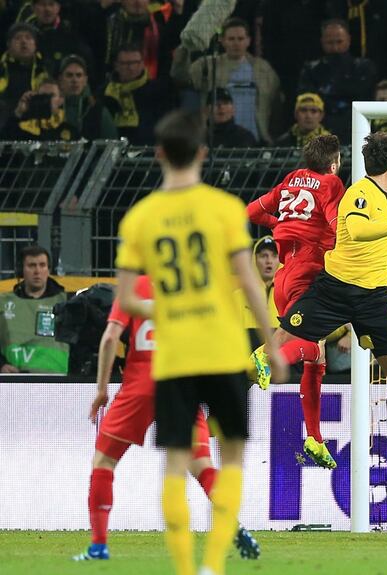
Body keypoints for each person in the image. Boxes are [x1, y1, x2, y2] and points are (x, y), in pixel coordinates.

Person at [113, 109, 286, 575]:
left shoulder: (140, 218)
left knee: (175, 465)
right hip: (225, 350)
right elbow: (250, 283)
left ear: (159, 155)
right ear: (204, 154)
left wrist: (168, 309)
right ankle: (213, 566)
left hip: (174, 359)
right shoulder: (224, 209)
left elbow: (128, 297)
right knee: (230, 459)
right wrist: (270, 345)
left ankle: (186, 571)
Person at [262, 131, 387, 482]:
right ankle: (251, 367)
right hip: (335, 289)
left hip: (373, 298)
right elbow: (358, 230)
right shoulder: (357, 194)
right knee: (287, 334)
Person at [72, 275, 260, 562]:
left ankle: (98, 546)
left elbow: (110, 337)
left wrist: (101, 389)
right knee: (202, 465)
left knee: (104, 462)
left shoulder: (133, 288)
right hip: (181, 383)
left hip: (140, 383)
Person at [247, 134, 346, 468]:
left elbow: (252, 211)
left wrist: (283, 224)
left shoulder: (291, 180)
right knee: (312, 348)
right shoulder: (332, 182)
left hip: (284, 274)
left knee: (316, 357)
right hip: (309, 270)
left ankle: (315, 437)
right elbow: (336, 224)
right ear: (334, 163)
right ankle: (267, 356)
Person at [175, 18, 280, 143]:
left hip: (255, 141)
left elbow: (276, 106)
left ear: (248, 41)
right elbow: (180, 78)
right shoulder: (208, 65)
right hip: (218, 140)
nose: (236, 43)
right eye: (231, 39)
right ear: (222, 41)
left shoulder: (264, 69)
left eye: (240, 39)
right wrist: (185, 48)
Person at [297, 19, 378, 139]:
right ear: (322, 42)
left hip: (357, 127)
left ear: (348, 40)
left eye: (339, 42)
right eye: (330, 42)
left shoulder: (364, 68)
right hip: (321, 129)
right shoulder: (310, 70)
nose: (335, 47)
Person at [0, 244, 67, 374]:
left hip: (59, 384)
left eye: (42, 265)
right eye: (32, 265)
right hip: (13, 382)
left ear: (48, 270)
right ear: (21, 270)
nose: (37, 271)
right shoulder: (3, 303)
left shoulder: (65, 303)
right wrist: (1, 365)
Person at [102, 43, 173, 145]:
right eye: (125, 63)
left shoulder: (158, 91)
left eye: (135, 63)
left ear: (142, 64)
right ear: (116, 65)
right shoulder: (105, 92)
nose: (131, 68)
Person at [234, 236, 280, 351]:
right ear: (255, 259)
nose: (269, 261)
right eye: (263, 256)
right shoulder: (238, 296)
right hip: (247, 359)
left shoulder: (288, 295)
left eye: (274, 256)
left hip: (280, 357)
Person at [57, 55, 117, 140]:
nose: (74, 80)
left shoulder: (98, 111)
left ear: (85, 80)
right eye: (69, 75)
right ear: (60, 79)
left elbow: (111, 145)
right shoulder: (51, 108)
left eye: (79, 75)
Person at [0, 22, 48, 107]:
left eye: (28, 38)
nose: (23, 41)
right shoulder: (2, 68)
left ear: (35, 44)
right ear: (8, 44)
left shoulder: (46, 68)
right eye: (18, 38)